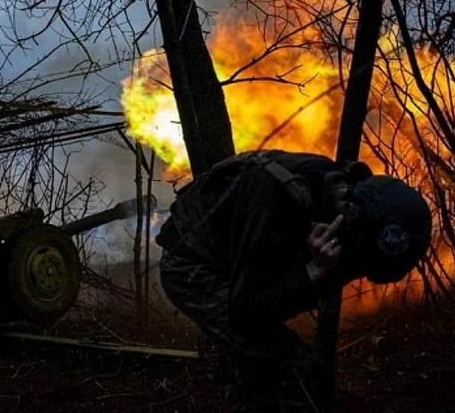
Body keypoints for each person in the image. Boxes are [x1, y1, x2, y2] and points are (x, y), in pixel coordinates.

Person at [156, 150, 432, 412]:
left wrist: (314, 276)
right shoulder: (278, 197)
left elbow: (283, 291)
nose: (354, 268)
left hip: (241, 269)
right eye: (358, 257)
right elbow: (247, 313)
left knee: (263, 367)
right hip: (192, 267)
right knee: (296, 367)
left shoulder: (344, 200)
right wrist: (310, 273)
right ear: (349, 217)